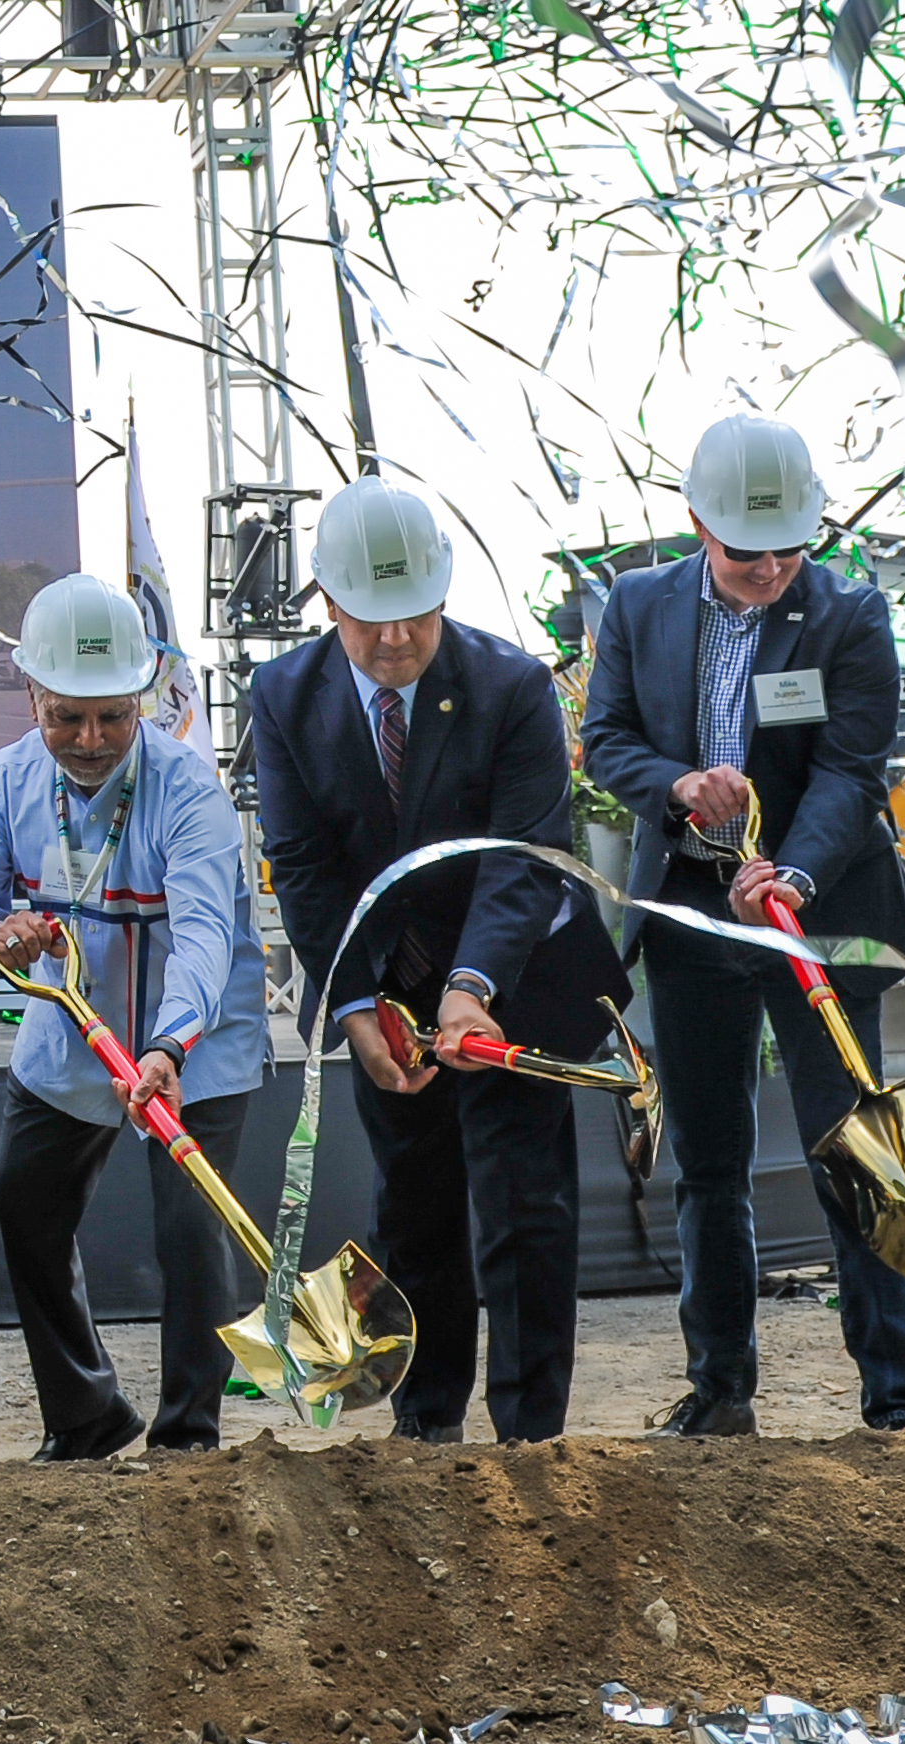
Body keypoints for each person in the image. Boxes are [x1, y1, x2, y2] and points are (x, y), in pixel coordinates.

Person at [250, 477, 626, 1444]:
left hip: (518, 974)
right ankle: (425, 1423)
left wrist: (471, 989)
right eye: (369, 620)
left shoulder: (509, 686)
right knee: (412, 1203)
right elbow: (302, 865)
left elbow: (524, 856)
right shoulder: (284, 696)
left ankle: (529, 1433)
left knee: (521, 1209)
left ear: (443, 595)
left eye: (413, 616)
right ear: (328, 603)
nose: (392, 642)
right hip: (386, 981)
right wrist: (353, 1006)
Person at [578, 413, 905, 1436]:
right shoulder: (639, 606)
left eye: (790, 547)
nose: (771, 567)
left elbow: (850, 771)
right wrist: (676, 785)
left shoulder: (850, 613)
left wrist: (795, 874)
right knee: (710, 1154)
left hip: (814, 914)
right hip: (690, 914)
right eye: (746, 551)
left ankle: (894, 1396)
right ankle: (721, 1383)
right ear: (696, 524)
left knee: (853, 1147)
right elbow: (605, 738)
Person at [0, 573, 266, 1461]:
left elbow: (201, 935)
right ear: (32, 694)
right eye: (66, 716)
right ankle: (83, 1415)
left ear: (145, 696)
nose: (89, 740)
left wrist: (168, 1044)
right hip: (74, 1029)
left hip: (191, 1039)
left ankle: (186, 1437)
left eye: (112, 717)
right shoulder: (6, 779)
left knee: (191, 1228)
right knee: (21, 1198)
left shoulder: (190, 790)